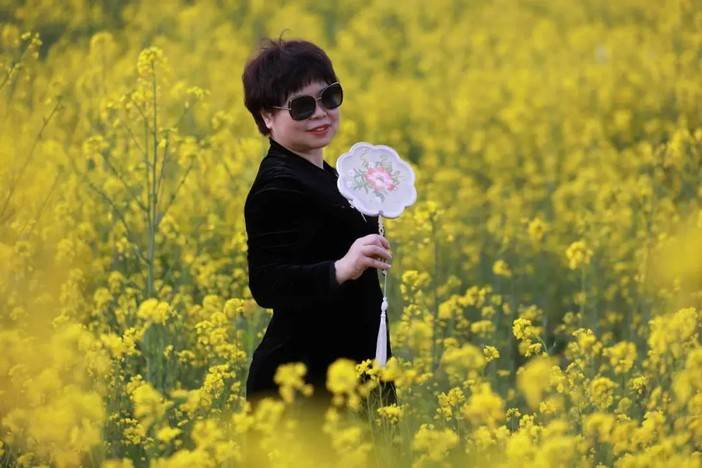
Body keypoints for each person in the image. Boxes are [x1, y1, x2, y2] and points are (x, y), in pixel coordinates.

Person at [241, 37, 398, 414]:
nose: (320, 113)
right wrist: (342, 267)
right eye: (302, 106)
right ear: (267, 117)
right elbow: (268, 283)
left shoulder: (330, 176)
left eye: (329, 97)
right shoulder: (277, 184)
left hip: (349, 370)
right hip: (304, 386)